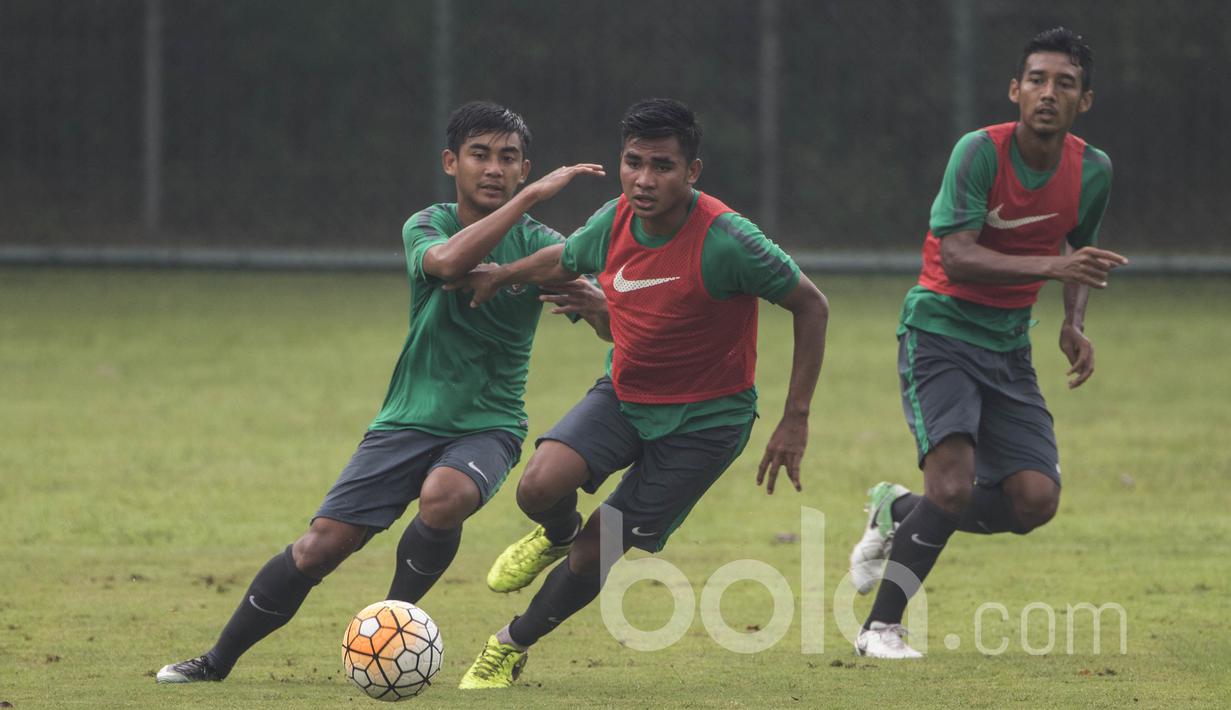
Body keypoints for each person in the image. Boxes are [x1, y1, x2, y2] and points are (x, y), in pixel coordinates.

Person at [156, 101, 607, 683]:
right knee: (319, 547)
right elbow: (446, 265)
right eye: (480, 155)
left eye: (509, 159)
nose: (494, 169)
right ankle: (215, 663)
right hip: (404, 421)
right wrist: (531, 198)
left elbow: (613, 324)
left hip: (488, 424)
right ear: (451, 162)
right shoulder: (427, 225)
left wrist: (599, 309)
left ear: (525, 167)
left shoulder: (546, 244)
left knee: (443, 497)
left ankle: (390, 633)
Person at [445, 98, 830, 689]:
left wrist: (795, 418)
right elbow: (567, 256)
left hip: (706, 423)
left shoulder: (729, 240)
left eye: (662, 166)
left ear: (692, 172)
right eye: (632, 163)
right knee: (538, 484)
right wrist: (502, 274)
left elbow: (812, 304)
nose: (644, 180)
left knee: (602, 546)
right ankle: (555, 531)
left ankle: (509, 645)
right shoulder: (616, 217)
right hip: (625, 394)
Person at [847, 28, 1126, 659]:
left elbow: (1077, 256)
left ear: (1084, 100)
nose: (1048, 93)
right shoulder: (979, 152)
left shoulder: (1094, 170)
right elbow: (958, 255)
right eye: (1036, 80)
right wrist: (1052, 270)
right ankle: (880, 629)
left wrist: (1072, 321)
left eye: (1064, 83)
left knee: (1034, 501)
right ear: (1014, 90)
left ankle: (897, 512)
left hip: (1007, 347)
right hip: (940, 331)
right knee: (951, 487)